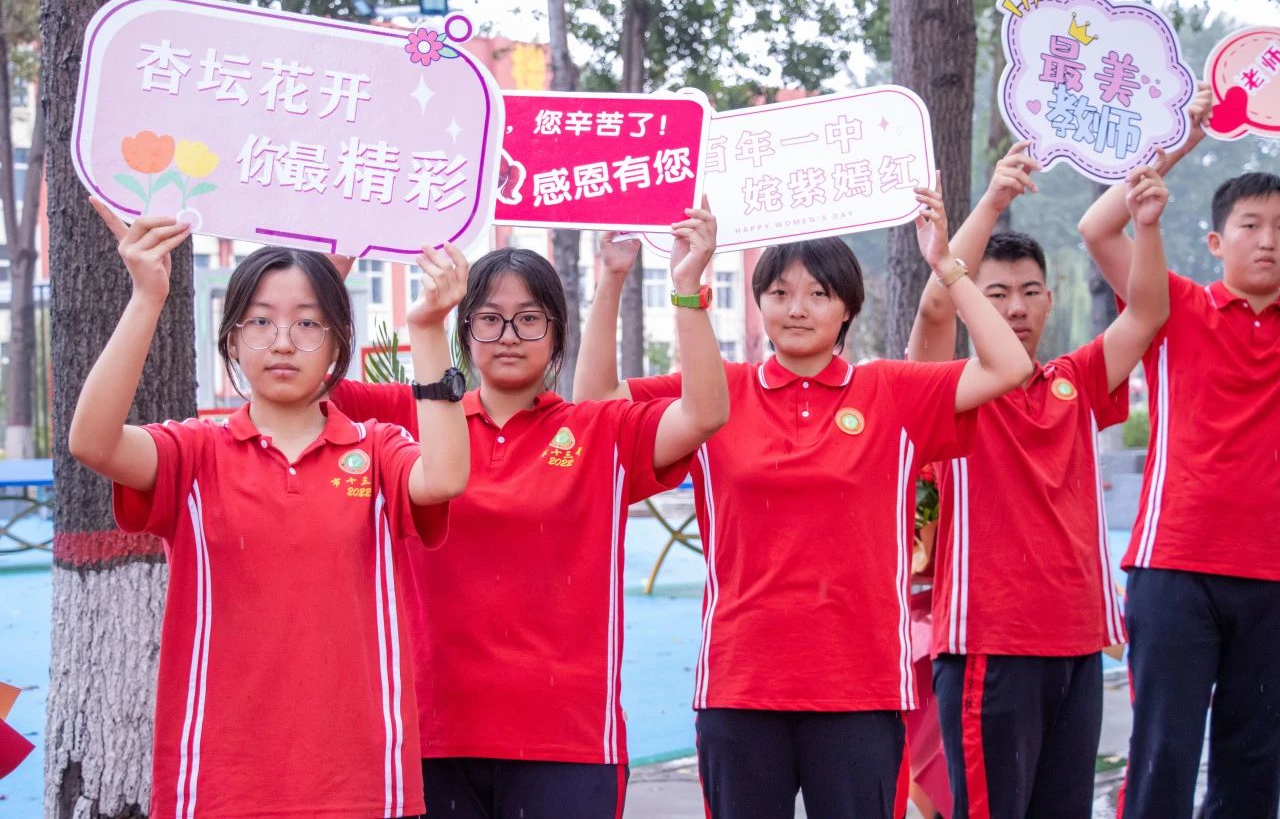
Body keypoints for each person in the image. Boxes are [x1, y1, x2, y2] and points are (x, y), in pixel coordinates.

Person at [573, 180, 1033, 818]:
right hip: (741, 687)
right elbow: (595, 407)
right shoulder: (716, 392)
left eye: (819, 293)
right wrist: (613, 277)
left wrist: (945, 264)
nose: (798, 308)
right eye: (780, 292)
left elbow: (1010, 366)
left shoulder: (890, 392)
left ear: (847, 309)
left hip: (860, 691)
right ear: (759, 302)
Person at [69, 200, 470, 818]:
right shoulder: (195, 453)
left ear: (337, 343)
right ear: (231, 338)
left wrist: (428, 329)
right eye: (260, 321)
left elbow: (444, 477)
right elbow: (92, 442)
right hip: (220, 784)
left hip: (362, 785)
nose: (283, 342)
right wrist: (147, 296)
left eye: (308, 323)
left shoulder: (377, 449)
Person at [329, 204, 729, 818]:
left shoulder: (600, 430)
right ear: (464, 331)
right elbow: (305, 387)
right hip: (433, 732)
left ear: (557, 335)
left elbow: (703, 413)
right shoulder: (413, 417)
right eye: (490, 319)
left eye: (529, 320)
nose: (509, 336)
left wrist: (687, 290)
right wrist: (330, 271)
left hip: (567, 739)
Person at [908, 142, 1171, 818]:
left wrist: (1145, 224)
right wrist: (992, 202)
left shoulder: (1076, 382)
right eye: (996, 294)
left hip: (1078, 645)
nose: (1016, 307)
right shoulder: (950, 393)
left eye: (1030, 292)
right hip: (991, 647)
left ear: (1050, 300)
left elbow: (1146, 314)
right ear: (972, 300)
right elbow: (935, 312)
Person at [1078, 100, 1280, 819]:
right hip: (1176, 565)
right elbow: (1097, 228)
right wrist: (1180, 141)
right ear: (1216, 241)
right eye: (1251, 225)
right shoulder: (1173, 307)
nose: (1268, 240)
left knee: (1255, 762)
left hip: (1272, 574)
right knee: (1164, 748)